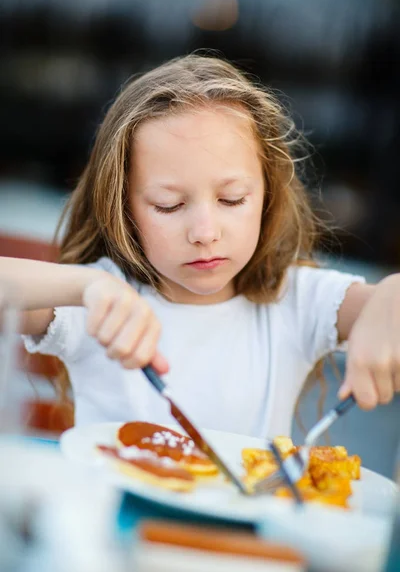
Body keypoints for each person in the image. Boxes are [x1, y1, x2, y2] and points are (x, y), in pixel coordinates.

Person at [1, 55, 399, 438]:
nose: (205, 232)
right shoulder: (102, 305)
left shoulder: (297, 302)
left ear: (267, 195)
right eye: (168, 205)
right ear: (123, 208)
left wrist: (389, 298)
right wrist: (85, 288)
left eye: (232, 199)